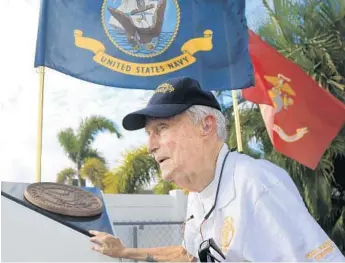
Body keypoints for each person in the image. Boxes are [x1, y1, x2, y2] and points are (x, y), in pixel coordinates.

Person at [89, 76, 345, 262]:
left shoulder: (256, 186)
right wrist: (124, 252)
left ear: (206, 126)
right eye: (148, 134)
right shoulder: (198, 193)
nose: (149, 146)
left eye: (162, 129)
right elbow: (188, 255)